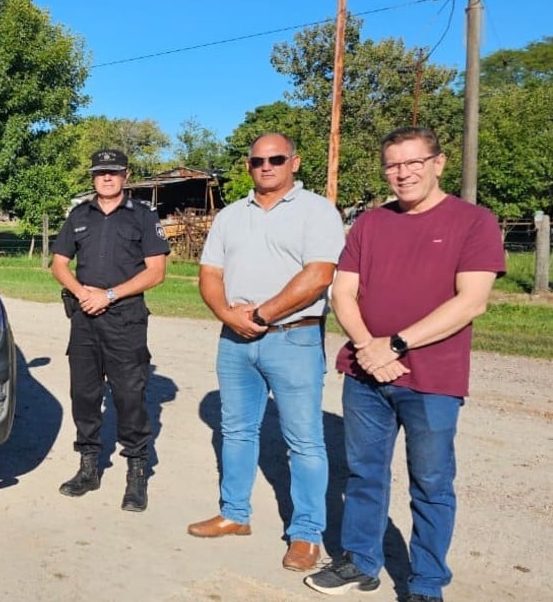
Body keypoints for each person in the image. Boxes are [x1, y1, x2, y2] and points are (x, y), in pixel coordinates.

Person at [304, 127, 505, 602]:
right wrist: (368, 348)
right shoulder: (371, 224)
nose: (403, 173)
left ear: (439, 162)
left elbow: (471, 302)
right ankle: (360, 560)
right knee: (364, 472)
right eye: (393, 164)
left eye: (414, 162)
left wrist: (394, 345)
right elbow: (343, 292)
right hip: (365, 375)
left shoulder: (474, 222)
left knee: (432, 483)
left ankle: (426, 583)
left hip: (433, 378)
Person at [186, 133, 345, 572]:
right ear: (247, 165)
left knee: (304, 440)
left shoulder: (317, 210)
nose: (267, 166)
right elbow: (210, 273)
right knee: (236, 430)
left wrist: (261, 313)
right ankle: (235, 513)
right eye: (258, 161)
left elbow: (318, 276)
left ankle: (307, 534)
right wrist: (226, 313)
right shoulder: (231, 216)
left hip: (293, 336)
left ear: (294, 162)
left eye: (276, 159)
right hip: (235, 338)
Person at [50, 148, 170, 510]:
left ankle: (137, 475)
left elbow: (156, 271)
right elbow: (58, 263)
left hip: (125, 319)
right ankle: (88, 467)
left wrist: (110, 295)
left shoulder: (143, 217)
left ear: (126, 176)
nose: (106, 177)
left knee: (129, 396)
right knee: (84, 395)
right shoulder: (79, 215)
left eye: (113, 172)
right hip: (84, 319)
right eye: (100, 172)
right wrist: (81, 292)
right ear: (93, 177)